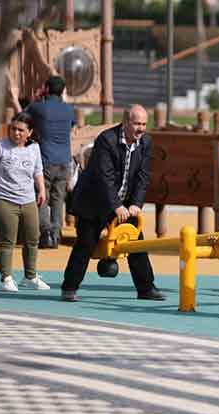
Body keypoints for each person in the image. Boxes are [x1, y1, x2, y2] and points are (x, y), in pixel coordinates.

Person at [60, 105, 165, 302]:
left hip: (123, 203)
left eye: (144, 124)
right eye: (136, 124)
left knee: (136, 242)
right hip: (95, 201)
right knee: (86, 244)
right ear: (125, 122)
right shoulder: (107, 140)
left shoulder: (146, 142)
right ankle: (69, 288)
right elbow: (104, 177)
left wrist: (136, 205)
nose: (141, 128)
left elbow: (143, 176)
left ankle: (146, 288)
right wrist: (116, 206)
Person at [0, 112, 50, 292]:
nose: (16, 133)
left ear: (30, 132)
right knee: (7, 240)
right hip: (4, 200)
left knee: (33, 239)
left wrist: (41, 189)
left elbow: (38, 170)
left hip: (28, 200)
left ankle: (30, 276)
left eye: (21, 130)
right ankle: (6, 278)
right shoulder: (0, 146)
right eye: (13, 129)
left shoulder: (34, 148)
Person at [27, 75, 76, 249]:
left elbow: (21, 118)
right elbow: (72, 124)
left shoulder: (38, 108)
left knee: (41, 197)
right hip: (65, 161)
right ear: (63, 91)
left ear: (46, 89)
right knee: (58, 199)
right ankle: (56, 234)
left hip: (46, 160)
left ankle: (46, 232)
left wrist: (35, 99)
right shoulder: (70, 109)